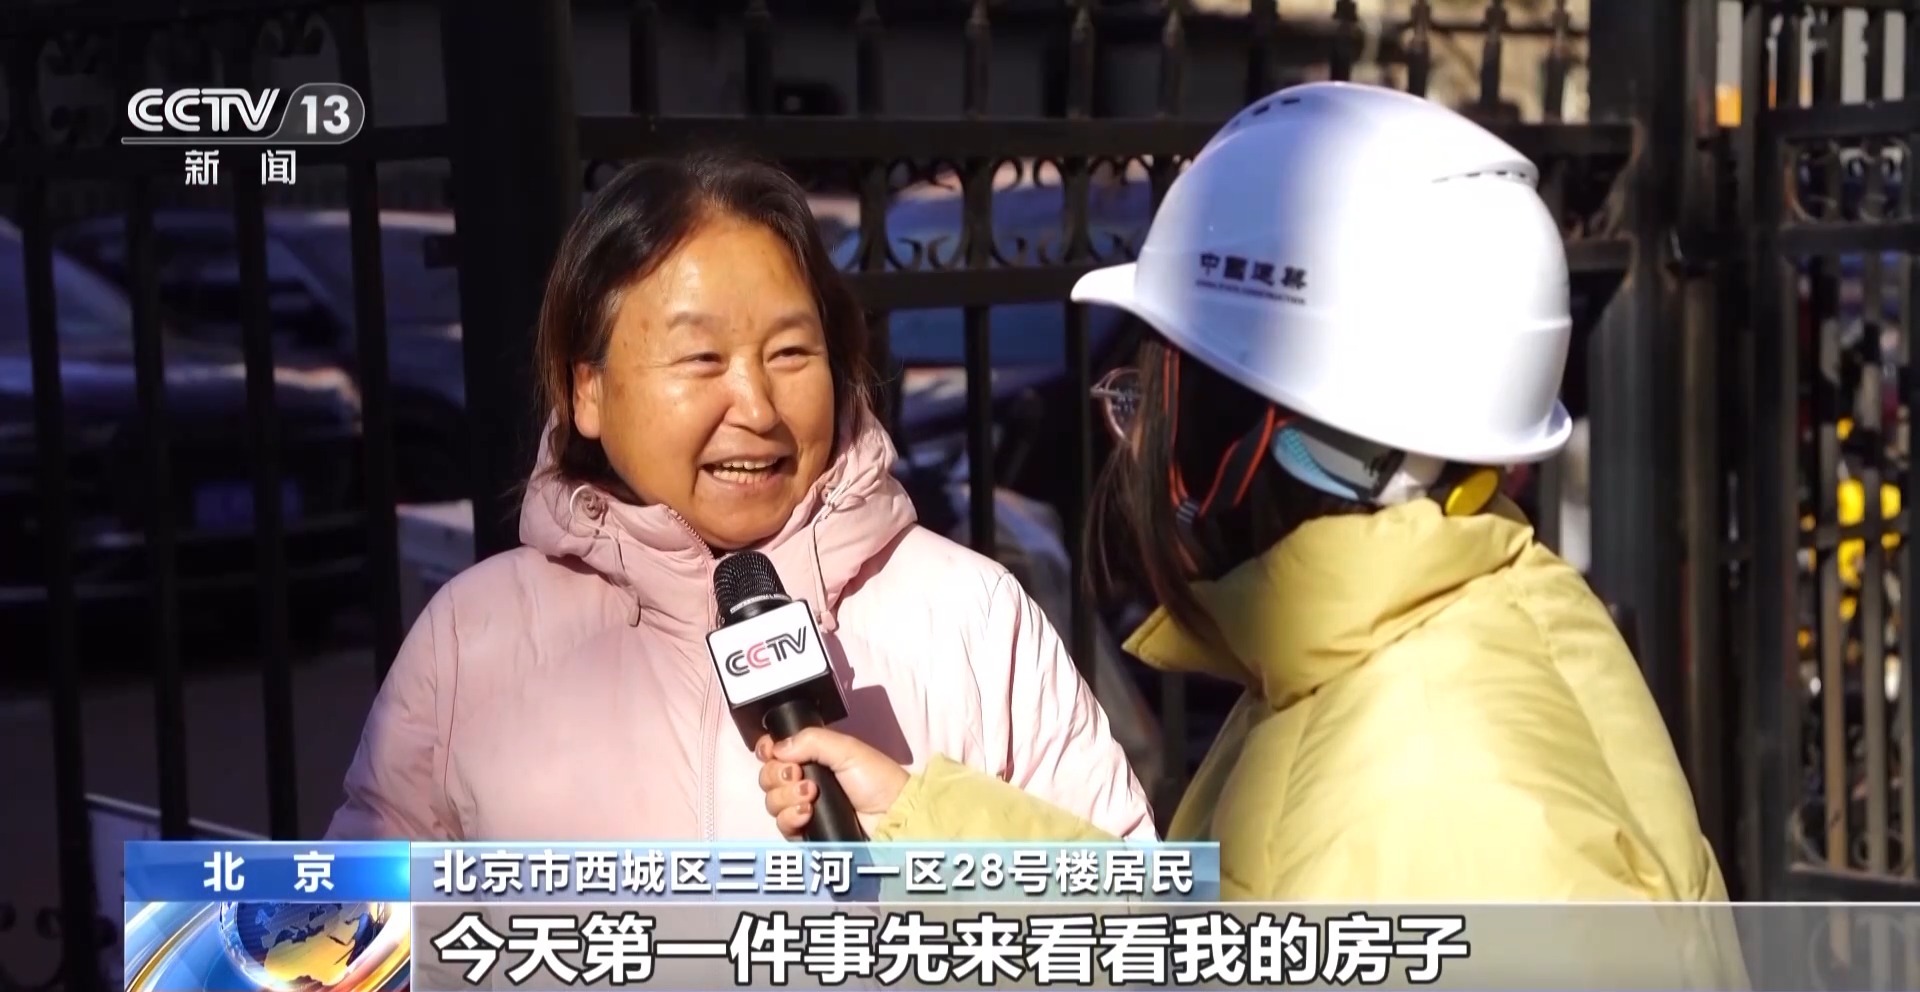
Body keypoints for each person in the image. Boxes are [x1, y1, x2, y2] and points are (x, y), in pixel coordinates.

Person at [756, 83, 1740, 910]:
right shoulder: (1387, 659)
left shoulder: (1444, 788)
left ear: (1258, 432)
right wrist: (921, 829)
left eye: (1156, 396)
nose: (1139, 444)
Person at [324, 151, 1152, 842]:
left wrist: (926, 832)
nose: (757, 409)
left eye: (791, 353)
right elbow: (347, 943)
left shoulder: (973, 615)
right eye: (702, 360)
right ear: (588, 390)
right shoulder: (473, 638)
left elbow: (1129, 933)